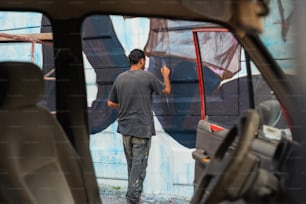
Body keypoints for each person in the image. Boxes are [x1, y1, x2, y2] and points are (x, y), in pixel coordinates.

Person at [107, 49, 171, 204]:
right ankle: (132, 199)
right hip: (141, 130)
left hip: (125, 129)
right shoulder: (147, 76)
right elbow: (166, 90)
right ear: (142, 61)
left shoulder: (120, 78)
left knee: (132, 166)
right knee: (139, 166)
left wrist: (127, 104)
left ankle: (135, 197)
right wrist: (165, 75)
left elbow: (110, 103)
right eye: (145, 61)